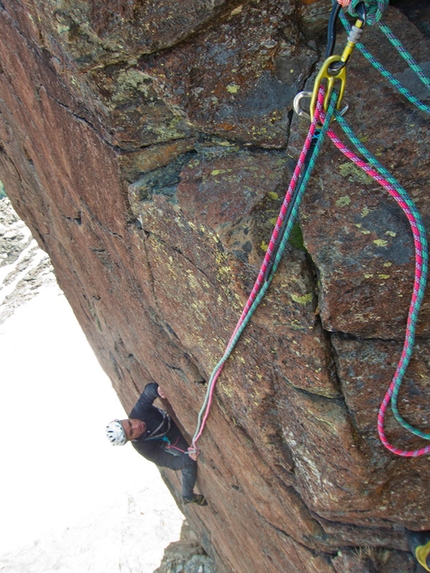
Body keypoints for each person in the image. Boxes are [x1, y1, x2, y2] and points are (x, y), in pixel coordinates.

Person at [106, 382, 207, 506]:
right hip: (171, 436)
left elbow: (147, 394)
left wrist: (156, 390)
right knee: (189, 464)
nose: (137, 425)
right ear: (131, 439)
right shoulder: (143, 448)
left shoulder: (139, 412)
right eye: (132, 432)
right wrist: (188, 458)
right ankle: (188, 495)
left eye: (130, 423)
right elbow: (171, 463)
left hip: (169, 421)